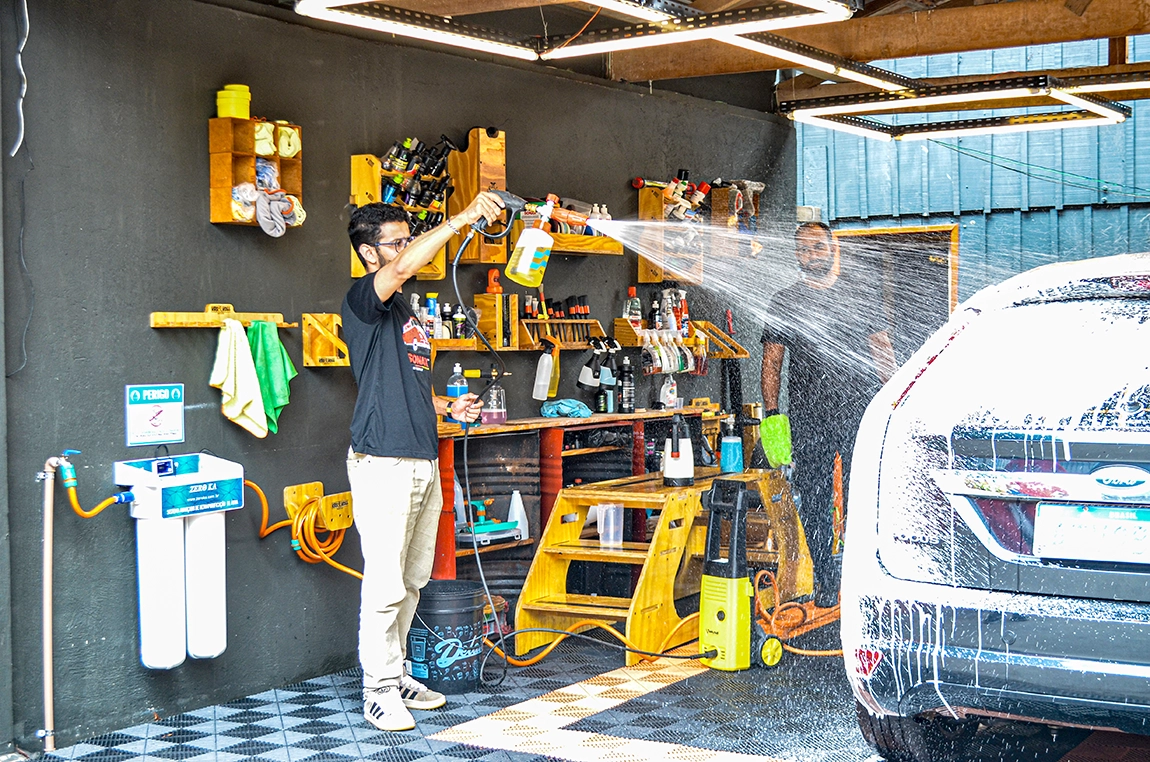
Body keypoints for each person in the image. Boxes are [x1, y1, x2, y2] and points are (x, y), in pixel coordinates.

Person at [343, 191, 505, 732]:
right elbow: (407, 265)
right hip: (382, 461)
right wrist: (460, 219)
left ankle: (399, 671)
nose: (408, 249)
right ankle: (378, 688)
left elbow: (405, 383)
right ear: (371, 254)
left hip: (419, 456)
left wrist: (446, 404)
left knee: (412, 579)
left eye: (408, 238)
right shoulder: (366, 297)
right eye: (397, 241)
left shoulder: (407, 310)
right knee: (385, 583)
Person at [760, 221, 896, 607]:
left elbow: (882, 350)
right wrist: (773, 415)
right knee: (816, 502)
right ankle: (824, 578)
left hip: (859, 412)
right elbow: (772, 363)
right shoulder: (784, 300)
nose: (810, 255)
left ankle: (861, 577)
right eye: (802, 249)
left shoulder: (858, 294)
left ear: (832, 247)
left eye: (817, 247)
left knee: (863, 498)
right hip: (807, 417)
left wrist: (894, 405)